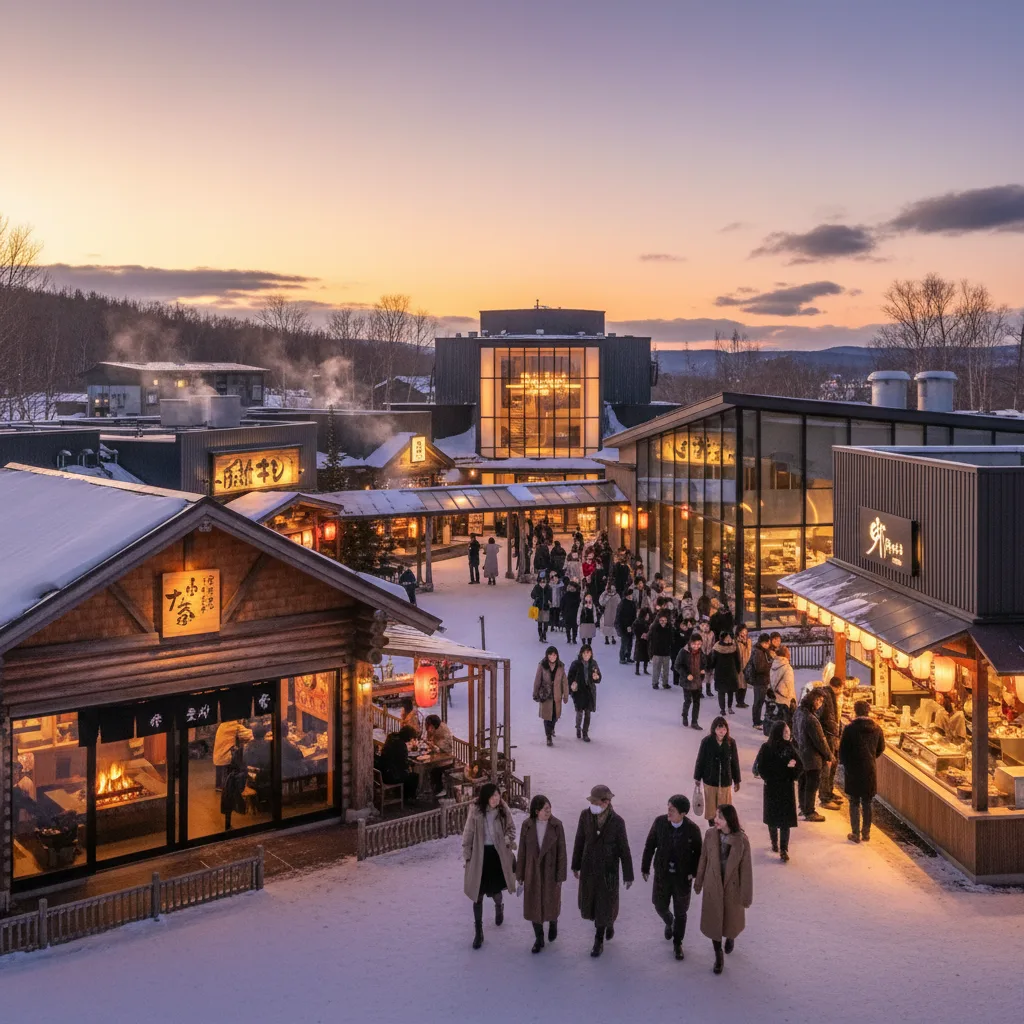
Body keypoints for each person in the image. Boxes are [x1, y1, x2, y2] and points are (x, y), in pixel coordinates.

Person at [571, 785, 634, 958]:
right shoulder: (585, 816)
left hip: (608, 871)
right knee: (592, 903)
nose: (594, 804)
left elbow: (624, 849)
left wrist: (628, 875)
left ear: (606, 802)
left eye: (597, 801)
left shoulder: (617, 822)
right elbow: (579, 840)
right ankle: (606, 923)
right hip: (589, 868)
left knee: (605, 904)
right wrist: (575, 865)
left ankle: (599, 939)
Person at [693, 804, 753, 976]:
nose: (715, 820)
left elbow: (746, 870)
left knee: (730, 921)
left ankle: (730, 936)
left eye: (720, 817)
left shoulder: (741, 841)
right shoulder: (710, 835)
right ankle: (718, 954)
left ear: (729, 820)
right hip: (713, 886)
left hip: (732, 889)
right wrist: (699, 881)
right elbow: (703, 859)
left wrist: (746, 895)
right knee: (714, 921)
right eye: (716, 816)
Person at [641, 795, 703, 961]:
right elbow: (650, 845)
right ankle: (669, 921)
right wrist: (645, 867)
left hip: (683, 878)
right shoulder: (660, 823)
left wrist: (694, 873)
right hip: (662, 874)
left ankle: (677, 943)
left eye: (672, 810)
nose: (668, 812)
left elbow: (699, 854)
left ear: (682, 813)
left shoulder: (692, 830)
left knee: (681, 911)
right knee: (659, 904)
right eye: (668, 807)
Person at [463, 783, 517, 949]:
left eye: (498, 795)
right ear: (486, 797)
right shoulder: (476, 811)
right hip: (480, 856)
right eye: (493, 796)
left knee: (495, 891)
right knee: (477, 894)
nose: (496, 799)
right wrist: (467, 853)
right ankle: (478, 931)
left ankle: (499, 907)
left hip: (497, 855)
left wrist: (506, 840)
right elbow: (469, 832)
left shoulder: (503, 810)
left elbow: (512, 829)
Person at [516, 795, 567, 953]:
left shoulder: (557, 825)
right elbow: (522, 851)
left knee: (551, 902)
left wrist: (560, 876)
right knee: (533, 906)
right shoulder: (527, 826)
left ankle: (553, 922)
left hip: (550, 872)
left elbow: (562, 852)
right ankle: (539, 938)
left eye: (549, 808)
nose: (548, 811)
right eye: (545, 809)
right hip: (533, 872)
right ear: (536, 811)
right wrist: (520, 874)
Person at [752, 721, 801, 862]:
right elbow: (762, 767)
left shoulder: (790, 747)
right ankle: (774, 843)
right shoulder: (767, 748)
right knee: (772, 819)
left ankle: (784, 848)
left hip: (786, 787)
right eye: (785, 732)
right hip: (773, 787)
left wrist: (793, 769)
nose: (788, 734)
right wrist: (784, 767)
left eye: (788, 732)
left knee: (785, 821)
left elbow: (799, 765)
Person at [838, 700, 886, 844]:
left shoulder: (849, 729)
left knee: (854, 801)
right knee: (867, 801)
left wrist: (845, 764)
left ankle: (855, 833)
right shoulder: (877, 729)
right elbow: (881, 748)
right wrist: (871, 757)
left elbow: (843, 750)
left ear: (855, 711)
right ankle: (866, 833)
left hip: (853, 769)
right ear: (868, 711)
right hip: (869, 769)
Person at [693, 717, 741, 828]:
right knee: (711, 808)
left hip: (725, 781)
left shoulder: (730, 742)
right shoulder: (706, 741)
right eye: (719, 729)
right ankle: (712, 830)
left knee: (724, 809)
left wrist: (737, 780)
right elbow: (700, 760)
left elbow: (734, 762)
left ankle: (723, 830)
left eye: (724, 729)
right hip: (710, 780)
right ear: (714, 729)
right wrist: (697, 777)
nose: (722, 731)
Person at [792, 690, 832, 821]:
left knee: (803, 783)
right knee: (811, 785)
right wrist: (829, 755)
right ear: (811, 699)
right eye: (818, 700)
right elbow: (820, 741)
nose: (820, 703)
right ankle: (809, 811)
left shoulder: (799, 712)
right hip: (812, 758)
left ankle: (803, 808)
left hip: (801, 754)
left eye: (821, 701)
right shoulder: (811, 719)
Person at [817, 676, 845, 811]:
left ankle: (829, 792)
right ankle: (824, 796)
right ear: (838, 687)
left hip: (832, 736)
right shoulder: (827, 697)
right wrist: (834, 732)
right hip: (828, 737)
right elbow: (827, 719)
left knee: (832, 765)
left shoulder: (831, 696)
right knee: (827, 767)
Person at [532, 645, 569, 747]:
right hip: (546, 695)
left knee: (555, 716)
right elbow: (537, 680)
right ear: (547, 656)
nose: (552, 657)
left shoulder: (561, 666)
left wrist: (565, 695)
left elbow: (564, 682)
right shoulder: (542, 665)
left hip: (557, 695)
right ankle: (548, 737)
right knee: (547, 717)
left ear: (557, 656)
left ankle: (552, 728)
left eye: (554, 655)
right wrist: (535, 693)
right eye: (550, 655)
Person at [568, 643, 601, 741]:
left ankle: (585, 732)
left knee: (588, 712)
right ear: (581, 654)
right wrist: (572, 684)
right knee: (579, 712)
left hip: (589, 691)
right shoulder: (576, 664)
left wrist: (597, 677)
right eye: (585, 653)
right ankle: (578, 727)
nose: (587, 655)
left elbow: (598, 677)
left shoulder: (593, 664)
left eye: (588, 653)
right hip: (579, 691)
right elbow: (570, 677)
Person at [676, 632, 707, 730]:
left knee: (697, 702)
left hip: (697, 681)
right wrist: (686, 674)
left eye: (699, 644)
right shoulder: (683, 652)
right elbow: (677, 665)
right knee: (688, 701)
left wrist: (703, 670)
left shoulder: (700, 652)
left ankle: (694, 722)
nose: (696, 646)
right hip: (687, 682)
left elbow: (704, 663)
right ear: (690, 643)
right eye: (694, 644)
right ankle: (684, 715)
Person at [379, 725, 419, 802]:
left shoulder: (391, 737)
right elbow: (403, 764)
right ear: (407, 736)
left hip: (383, 770)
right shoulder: (401, 745)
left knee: (407, 772)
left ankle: (401, 793)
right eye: (410, 738)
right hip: (390, 776)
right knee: (414, 776)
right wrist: (410, 763)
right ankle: (408, 798)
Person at [213, 719, 253, 789]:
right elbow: (247, 734)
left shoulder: (223, 724)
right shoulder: (234, 725)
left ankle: (219, 785)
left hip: (218, 757)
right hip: (226, 758)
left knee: (220, 777)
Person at [711, 631, 742, 714]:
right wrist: (710, 667)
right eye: (727, 638)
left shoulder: (734, 647)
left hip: (731, 673)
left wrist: (738, 670)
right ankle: (722, 709)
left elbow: (737, 660)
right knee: (721, 692)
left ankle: (729, 707)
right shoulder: (717, 648)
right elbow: (713, 660)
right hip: (720, 673)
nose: (729, 639)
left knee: (730, 692)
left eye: (730, 638)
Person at [749, 633, 774, 729]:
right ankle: (756, 722)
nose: (768, 645)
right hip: (759, 680)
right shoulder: (758, 652)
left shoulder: (762, 650)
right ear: (762, 643)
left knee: (759, 701)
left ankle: (757, 720)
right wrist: (771, 665)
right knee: (758, 701)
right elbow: (759, 668)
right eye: (766, 643)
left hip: (762, 680)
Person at [424, 713, 453, 795]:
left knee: (433, 770)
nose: (428, 727)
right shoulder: (435, 728)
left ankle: (439, 789)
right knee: (426, 766)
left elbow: (443, 749)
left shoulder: (443, 731)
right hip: (438, 756)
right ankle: (429, 787)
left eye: (429, 725)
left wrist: (432, 745)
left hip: (446, 759)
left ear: (433, 725)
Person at [648, 610, 675, 691]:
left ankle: (665, 683)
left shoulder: (669, 628)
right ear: (658, 620)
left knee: (666, 669)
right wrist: (651, 653)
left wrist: (671, 647)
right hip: (657, 652)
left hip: (666, 652)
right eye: (661, 620)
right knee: (656, 669)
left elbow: (671, 640)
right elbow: (651, 641)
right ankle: (655, 683)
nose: (663, 622)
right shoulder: (654, 628)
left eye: (665, 620)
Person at [769, 644, 797, 716]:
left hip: (776, 697)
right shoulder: (787, 668)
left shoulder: (774, 665)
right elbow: (789, 685)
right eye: (788, 653)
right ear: (785, 655)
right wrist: (792, 701)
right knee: (786, 722)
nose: (789, 654)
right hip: (786, 701)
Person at [615, 586, 637, 664]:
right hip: (624, 627)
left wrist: (633, 625)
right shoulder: (623, 604)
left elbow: (634, 615)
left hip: (631, 626)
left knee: (630, 643)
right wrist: (625, 626)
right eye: (630, 594)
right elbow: (620, 617)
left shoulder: (633, 603)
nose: (631, 596)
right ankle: (622, 658)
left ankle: (628, 656)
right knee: (624, 643)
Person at [531, 573, 553, 642]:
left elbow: (551, 597)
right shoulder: (536, 587)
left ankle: (544, 633)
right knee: (540, 623)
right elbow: (532, 595)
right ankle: (541, 636)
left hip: (546, 608)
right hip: (538, 608)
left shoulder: (549, 588)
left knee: (546, 623)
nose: (542, 584)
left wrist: (550, 601)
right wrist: (536, 596)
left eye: (544, 582)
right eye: (541, 582)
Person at [735, 625, 752, 709]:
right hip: (739, 665)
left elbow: (749, 652)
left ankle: (742, 701)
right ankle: (739, 701)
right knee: (739, 684)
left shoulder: (748, 641)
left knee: (744, 683)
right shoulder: (736, 642)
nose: (744, 634)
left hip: (746, 665)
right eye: (742, 632)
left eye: (745, 632)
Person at [633, 606, 652, 676]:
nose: (648, 616)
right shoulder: (638, 621)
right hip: (640, 641)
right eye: (647, 615)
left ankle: (645, 669)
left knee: (646, 656)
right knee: (638, 656)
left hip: (646, 641)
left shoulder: (648, 622)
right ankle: (637, 670)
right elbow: (634, 629)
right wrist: (640, 635)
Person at [562, 580, 581, 645]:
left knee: (575, 627)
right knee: (568, 627)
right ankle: (568, 639)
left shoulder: (578, 595)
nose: (571, 588)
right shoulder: (566, 595)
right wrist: (562, 611)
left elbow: (580, 604)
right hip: (567, 613)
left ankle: (574, 639)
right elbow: (562, 604)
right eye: (570, 587)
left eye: (573, 587)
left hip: (575, 614)